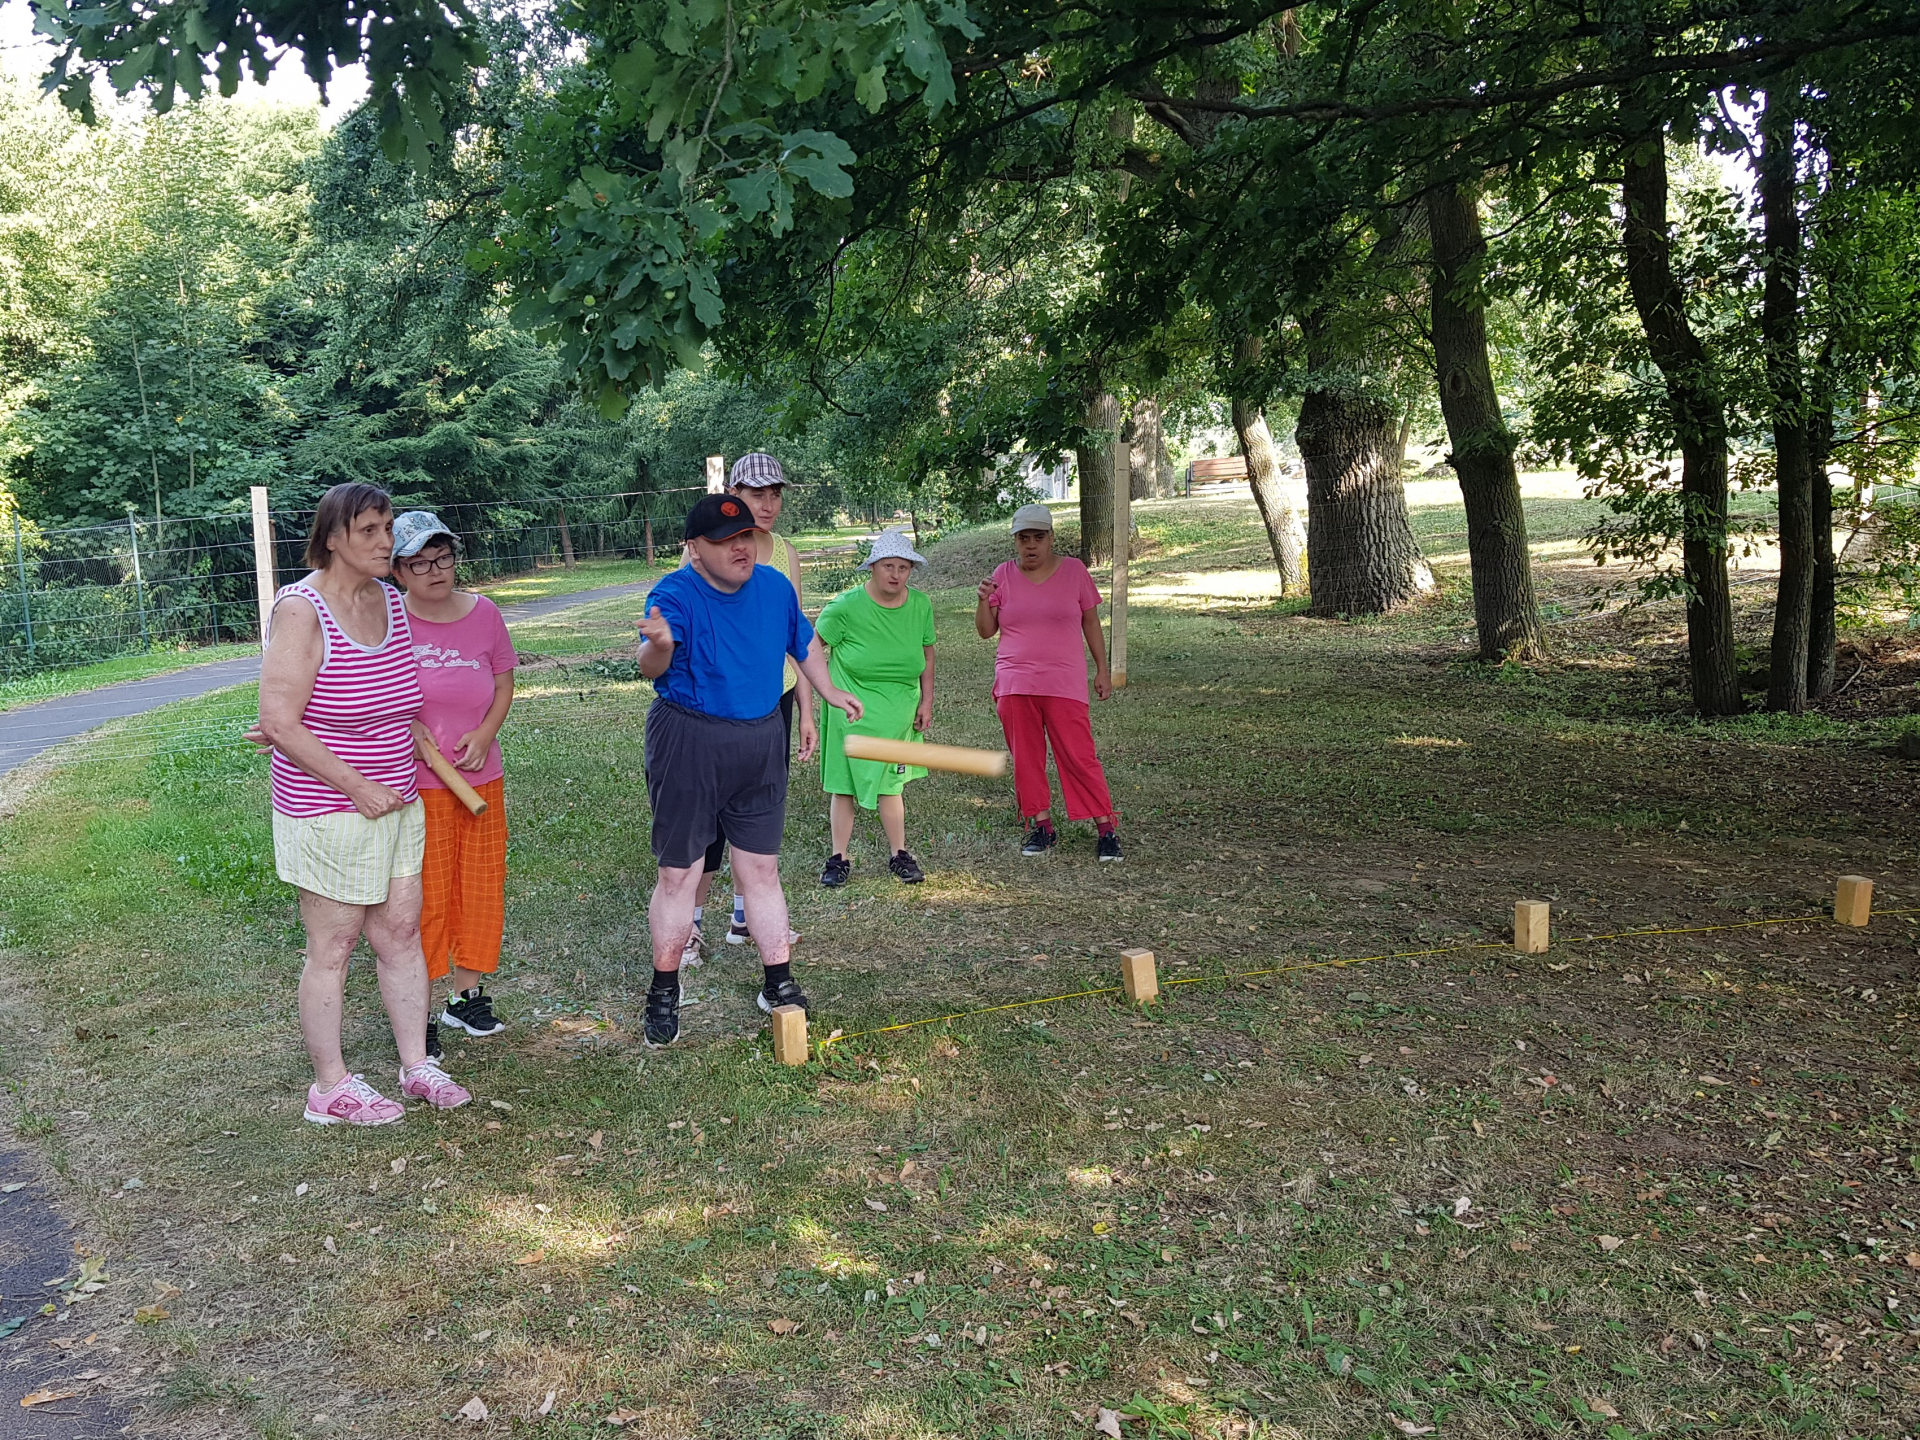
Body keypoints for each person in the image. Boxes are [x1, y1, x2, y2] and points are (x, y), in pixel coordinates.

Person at [256, 483, 472, 1125]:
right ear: (333, 539)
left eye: (388, 529)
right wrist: (356, 784)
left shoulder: (388, 599)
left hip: (397, 800)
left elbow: (391, 694)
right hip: (330, 808)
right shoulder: (301, 610)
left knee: (402, 933)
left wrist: (408, 744)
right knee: (334, 943)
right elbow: (280, 720)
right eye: (372, 531)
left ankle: (416, 1066)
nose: (387, 543)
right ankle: (329, 1087)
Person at [636, 492, 864, 1047]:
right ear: (694, 548)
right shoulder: (673, 594)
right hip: (689, 737)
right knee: (679, 873)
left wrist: (829, 692)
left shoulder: (774, 587)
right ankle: (664, 991)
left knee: (761, 868)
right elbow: (649, 664)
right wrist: (659, 646)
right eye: (724, 541)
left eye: (744, 538)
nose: (740, 548)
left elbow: (803, 643)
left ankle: (778, 982)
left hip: (762, 736)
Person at [389, 511, 517, 1056]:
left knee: (481, 888)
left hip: (481, 782)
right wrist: (402, 721)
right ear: (398, 571)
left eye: (443, 557)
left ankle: (466, 998)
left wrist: (486, 735)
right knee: (427, 897)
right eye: (420, 563)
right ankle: (418, 1010)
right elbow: (371, 689)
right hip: (417, 787)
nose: (436, 571)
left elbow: (504, 681)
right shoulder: (389, 621)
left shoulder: (484, 614)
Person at [680, 453, 816, 966]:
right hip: (714, 707)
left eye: (775, 493)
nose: (767, 504)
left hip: (772, 700)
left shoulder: (784, 552)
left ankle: (744, 916)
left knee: (757, 814)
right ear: (733, 494)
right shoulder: (702, 551)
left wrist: (805, 709)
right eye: (756, 494)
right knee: (707, 819)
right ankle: (690, 924)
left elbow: (796, 635)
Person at [974, 502, 1124, 861]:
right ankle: (1041, 826)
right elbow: (985, 631)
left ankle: (1105, 828)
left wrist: (1102, 669)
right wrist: (982, 601)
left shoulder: (1074, 571)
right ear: (1015, 541)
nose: (1031, 545)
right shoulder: (1003, 575)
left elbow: (1090, 622)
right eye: (1023, 538)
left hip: (1064, 681)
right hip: (1015, 682)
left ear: (1051, 538)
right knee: (1026, 757)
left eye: (1038, 537)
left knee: (1078, 755)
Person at [815, 527, 935, 886]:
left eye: (903, 567)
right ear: (872, 568)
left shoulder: (921, 605)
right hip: (852, 708)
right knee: (845, 784)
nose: (896, 574)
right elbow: (810, 648)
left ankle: (899, 853)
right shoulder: (845, 607)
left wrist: (927, 700)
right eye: (888, 566)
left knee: (890, 784)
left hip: (899, 710)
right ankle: (838, 858)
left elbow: (927, 652)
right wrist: (828, 692)